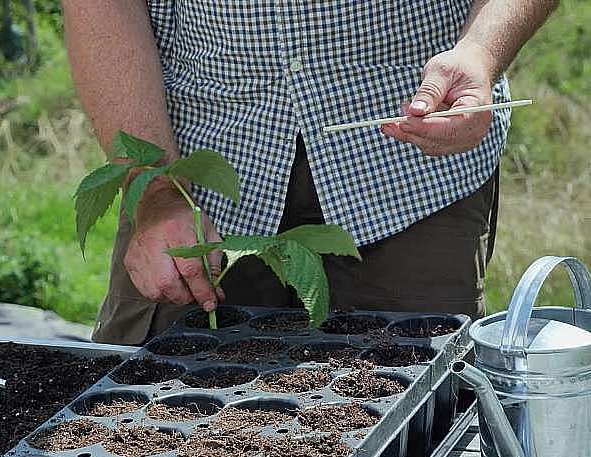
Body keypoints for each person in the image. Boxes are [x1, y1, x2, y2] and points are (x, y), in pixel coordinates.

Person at [62, 0, 560, 345]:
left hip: (411, 171)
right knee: (148, 399)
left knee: (412, 415)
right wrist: (156, 190)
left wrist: (480, 53)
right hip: (195, 177)